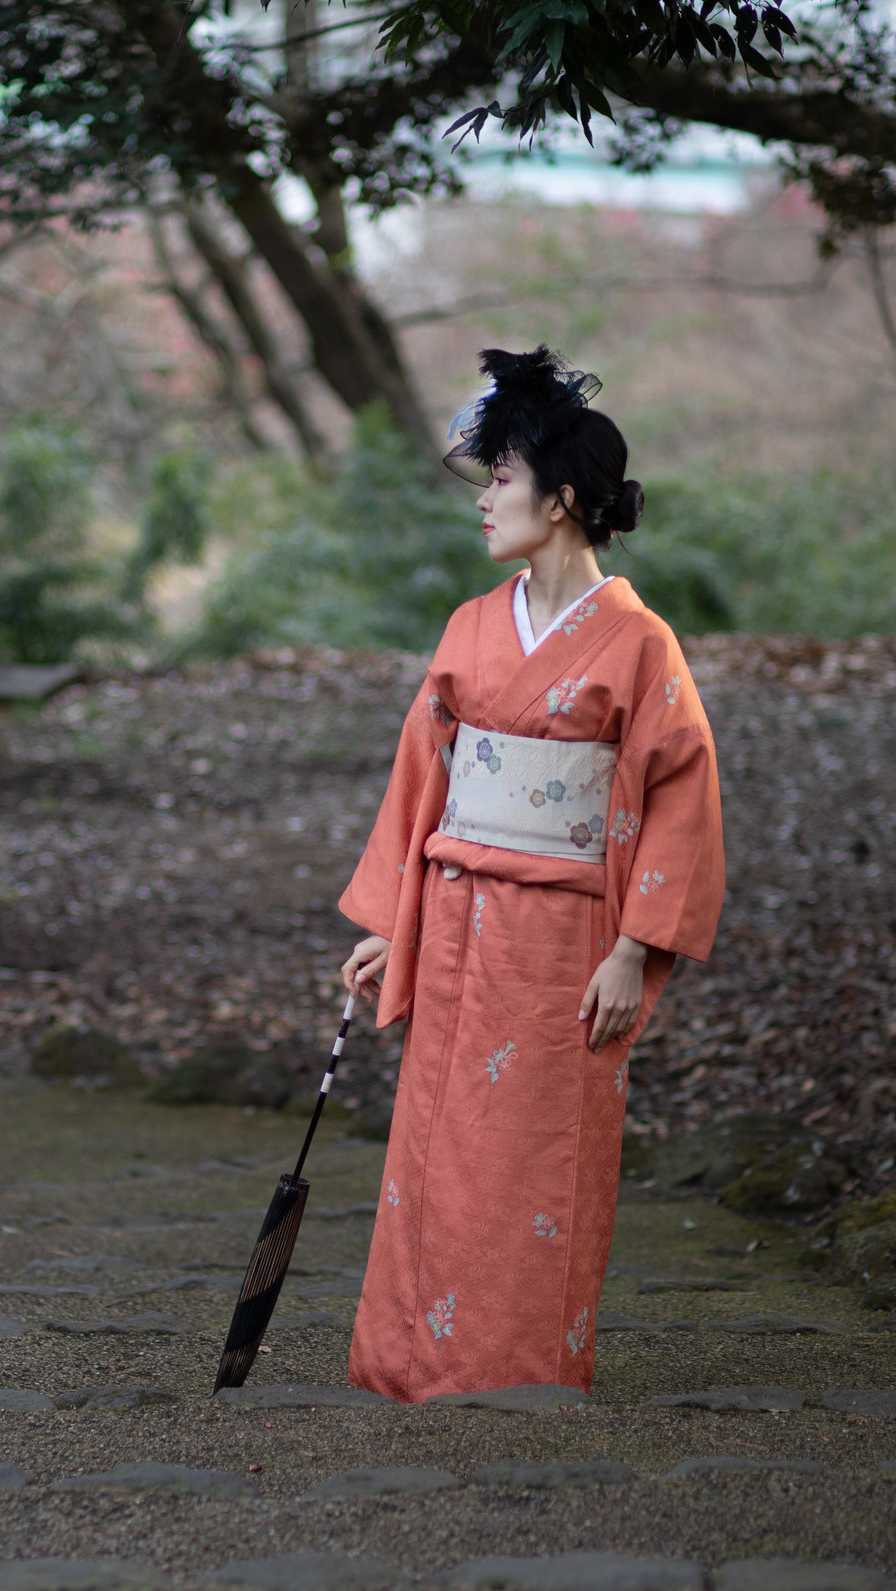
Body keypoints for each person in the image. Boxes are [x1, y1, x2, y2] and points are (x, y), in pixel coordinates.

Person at [334, 347, 725, 1402]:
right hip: (457, 913)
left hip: (563, 936)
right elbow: (426, 776)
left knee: (535, 1153)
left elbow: (679, 793)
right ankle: (411, 1359)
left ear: (560, 500)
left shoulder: (640, 645)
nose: (483, 502)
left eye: (499, 479)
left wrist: (634, 948)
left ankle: (517, 1369)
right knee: (438, 1144)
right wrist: (393, 923)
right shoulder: (470, 626)